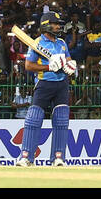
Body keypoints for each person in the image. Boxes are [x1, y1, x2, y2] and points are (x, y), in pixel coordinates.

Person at [16, 10, 78, 167]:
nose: (58, 27)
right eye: (56, 24)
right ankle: (26, 157)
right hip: (44, 84)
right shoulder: (37, 43)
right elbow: (29, 65)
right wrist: (48, 67)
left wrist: (71, 67)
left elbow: (68, 60)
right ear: (46, 25)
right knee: (34, 118)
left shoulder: (62, 43)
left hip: (62, 84)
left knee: (61, 120)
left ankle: (58, 157)